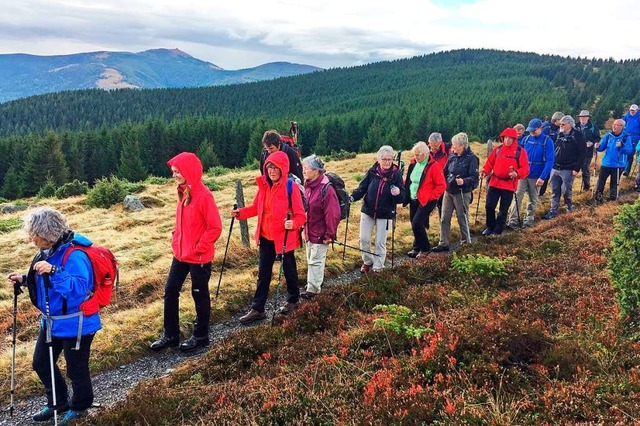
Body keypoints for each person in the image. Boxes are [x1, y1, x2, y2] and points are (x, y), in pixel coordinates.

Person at [7, 207, 100, 424]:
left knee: (76, 368)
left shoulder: (74, 255)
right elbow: (44, 281)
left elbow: (79, 290)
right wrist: (24, 279)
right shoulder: (46, 252)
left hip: (77, 322)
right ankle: (58, 403)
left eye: (34, 234)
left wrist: (54, 272)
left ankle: (80, 407)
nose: (31, 238)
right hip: (52, 321)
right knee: (41, 363)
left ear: (47, 233)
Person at [151, 152, 222, 352]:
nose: (174, 175)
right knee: (170, 291)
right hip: (181, 254)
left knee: (199, 294)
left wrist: (199, 247)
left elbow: (215, 227)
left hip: (198, 256)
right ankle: (171, 335)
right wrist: (176, 238)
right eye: (173, 172)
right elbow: (183, 224)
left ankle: (201, 336)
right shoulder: (183, 192)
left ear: (189, 171)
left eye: (177, 171)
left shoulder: (204, 195)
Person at [232, 151, 306, 324]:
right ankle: (258, 309)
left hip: (284, 238)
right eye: (269, 167)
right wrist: (240, 213)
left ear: (283, 168)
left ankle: (293, 300)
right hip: (266, 237)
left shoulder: (291, 187)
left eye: (275, 167)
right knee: (263, 274)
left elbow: (301, 215)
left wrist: (293, 223)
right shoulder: (264, 187)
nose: (272, 171)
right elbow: (256, 208)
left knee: (289, 271)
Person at [350, 145, 405, 272]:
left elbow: (402, 197)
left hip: (385, 213)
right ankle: (367, 261)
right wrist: (352, 197)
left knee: (380, 242)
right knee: (363, 239)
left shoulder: (396, 175)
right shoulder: (372, 171)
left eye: (390, 159)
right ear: (378, 159)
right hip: (368, 210)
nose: (387, 162)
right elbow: (362, 188)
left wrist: (398, 193)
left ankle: (378, 266)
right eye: (384, 159)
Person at [300, 155, 341, 299]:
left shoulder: (326, 189)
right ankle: (312, 284)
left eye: (306, 168)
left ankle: (313, 290)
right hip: (309, 230)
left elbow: (333, 214)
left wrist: (330, 234)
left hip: (321, 233)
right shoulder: (308, 185)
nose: (304, 171)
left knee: (315, 261)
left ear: (316, 170)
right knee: (310, 259)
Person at [432, 132, 479, 252]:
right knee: (444, 218)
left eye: (454, 145)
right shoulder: (452, 157)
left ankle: (466, 241)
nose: (452, 147)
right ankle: (443, 243)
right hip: (448, 191)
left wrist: (463, 181)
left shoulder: (472, 158)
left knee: (462, 217)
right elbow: (444, 172)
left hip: (462, 192)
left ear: (462, 145)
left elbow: (474, 179)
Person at [480, 127, 530, 236]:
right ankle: (490, 227)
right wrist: (484, 171)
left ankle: (498, 230)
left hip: (509, 184)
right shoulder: (497, 150)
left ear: (514, 139)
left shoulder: (520, 152)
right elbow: (489, 163)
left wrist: (516, 173)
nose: (507, 140)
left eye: (510, 138)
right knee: (489, 205)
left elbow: (525, 169)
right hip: (494, 182)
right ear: (503, 138)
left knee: (503, 209)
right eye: (505, 138)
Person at [506, 118, 555, 228]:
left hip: (536, 175)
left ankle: (528, 220)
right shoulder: (526, 140)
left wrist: (543, 177)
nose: (532, 132)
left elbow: (550, 160)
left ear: (540, 128)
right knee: (517, 196)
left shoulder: (548, 142)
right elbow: (517, 155)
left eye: (534, 130)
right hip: (522, 173)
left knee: (533, 198)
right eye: (530, 130)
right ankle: (512, 220)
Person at [403, 141, 446, 257]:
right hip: (414, 198)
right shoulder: (413, 164)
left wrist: (431, 197)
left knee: (417, 223)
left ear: (426, 154)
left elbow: (441, 185)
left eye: (418, 155)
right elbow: (409, 180)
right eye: (414, 154)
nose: (415, 157)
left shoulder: (434, 166)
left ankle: (425, 249)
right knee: (415, 223)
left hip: (427, 200)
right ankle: (416, 248)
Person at [542, 115, 586, 219]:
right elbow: (553, 147)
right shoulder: (558, 134)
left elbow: (582, 153)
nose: (561, 126)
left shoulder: (578, 135)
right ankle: (553, 211)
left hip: (569, 168)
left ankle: (569, 208)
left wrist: (576, 168)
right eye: (560, 124)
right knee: (555, 190)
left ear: (570, 125)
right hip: (555, 167)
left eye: (563, 124)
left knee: (566, 190)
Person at [594, 118, 634, 202]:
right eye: (613, 124)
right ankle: (598, 197)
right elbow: (602, 147)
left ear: (622, 127)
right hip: (606, 163)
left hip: (618, 164)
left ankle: (612, 199)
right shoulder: (608, 136)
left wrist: (622, 146)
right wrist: (598, 146)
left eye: (616, 125)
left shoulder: (626, 137)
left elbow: (630, 151)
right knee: (601, 181)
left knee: (614, 183)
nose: (614, 126)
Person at [539, 111, 565, 197]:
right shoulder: (547, 128)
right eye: (561, 121)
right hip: (544, 155)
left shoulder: (559, 129)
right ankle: (538, 193)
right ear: (556, 120)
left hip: (553, 155)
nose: (562, 123)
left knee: (547, 174)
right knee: (542, 173)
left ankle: (541, 193)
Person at [427, 132, 450, 220]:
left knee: (442, 205)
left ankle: (442, 223)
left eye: (435, 147)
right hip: (429, 182)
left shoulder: (448, 151)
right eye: (431, 146)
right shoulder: (426, 150)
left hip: (443, 183)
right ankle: (425, 225)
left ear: (441, 143)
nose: (432, 149)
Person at [577, 110, 601, 191]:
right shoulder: (575, 126)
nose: (582, 119)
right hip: (576, 152)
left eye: (584, 117)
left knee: (585, 169)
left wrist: (592, 143)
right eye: (581, 117)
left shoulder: (593, 127)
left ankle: (586, 187)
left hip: (588, 152)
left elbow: (598, 138)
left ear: (588, 118)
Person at [622, 104, 640, 176]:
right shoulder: (626, 116)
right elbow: (622, 124)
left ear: (636, 110)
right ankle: (623, 168)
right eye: (631, 110)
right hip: (626, 137)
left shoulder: (638, 117)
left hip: (636, 138)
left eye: (633, 110)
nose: (631, 111)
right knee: (625, 152)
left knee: (630, 153)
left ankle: (626, 170)